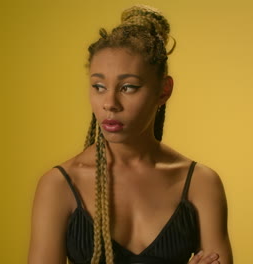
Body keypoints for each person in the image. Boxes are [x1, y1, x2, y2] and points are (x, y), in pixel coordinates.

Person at [28, 4, 233, 264]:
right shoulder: (59, 186)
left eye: (128, 87)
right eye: (98, 86)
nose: (109, 103)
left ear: (164, 90)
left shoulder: (200, 183)